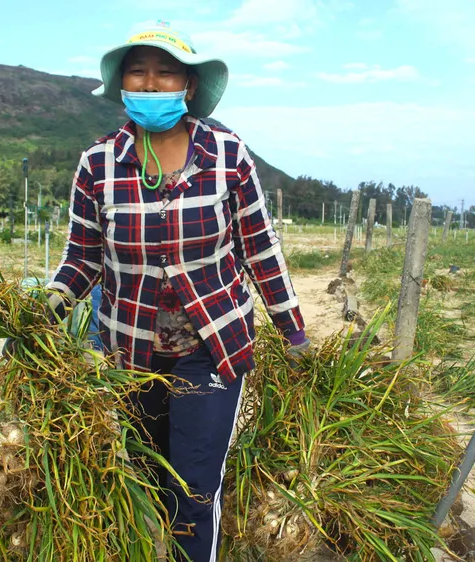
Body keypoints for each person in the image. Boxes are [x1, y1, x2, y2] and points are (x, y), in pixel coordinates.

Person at [44, 21, 310, 561]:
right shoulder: (99, 163)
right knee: (141, 478)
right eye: (138, 73)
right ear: (120, 85)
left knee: (193, 486)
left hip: (211, 347)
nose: (150, 84)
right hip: (129, 351)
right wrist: (47, 305)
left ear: (188, 87)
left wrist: (293, 331)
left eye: (165, 74)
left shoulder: (226, 154)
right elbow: (83, 257)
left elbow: (260, 250)